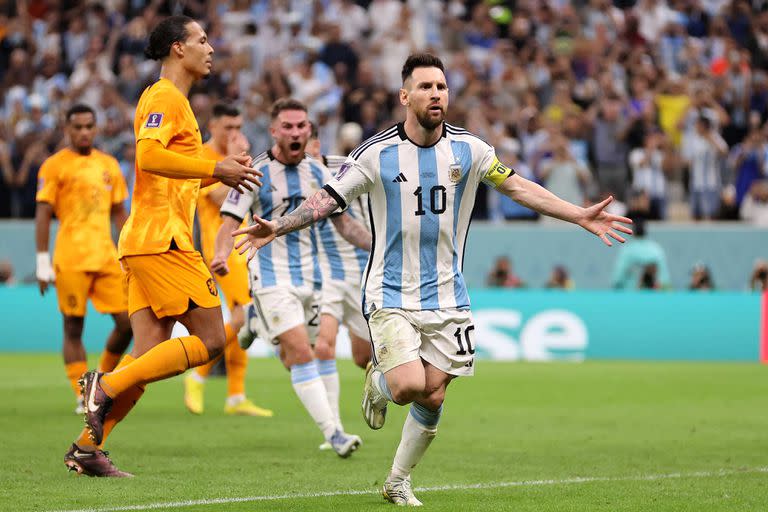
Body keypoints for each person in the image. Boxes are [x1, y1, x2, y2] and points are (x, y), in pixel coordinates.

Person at [232, 54, 632, 506]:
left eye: (441, 86)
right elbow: (325, 200)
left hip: (449, 296)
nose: (435, 93)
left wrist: (578, 214)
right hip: (390, 290)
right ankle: (378, 386)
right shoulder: (374, 154)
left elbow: (519, 187)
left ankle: (397, 480)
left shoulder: (472, 150)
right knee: (406, 385)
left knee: (435, 396)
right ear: (405, 96)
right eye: (424, 87)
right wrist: (277, 226)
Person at [64, 15, 261, 478]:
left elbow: (166, 164)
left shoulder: (176, 102)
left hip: (145, 240)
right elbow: (148, 154)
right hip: (162, 240)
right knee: (212, 338)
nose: (210, 48)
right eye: (202, 40)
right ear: (178, 48)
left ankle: (87, 450)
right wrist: (217, 170)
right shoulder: (164, 97)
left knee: (147, 358)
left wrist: (219, 170)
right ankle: (104, 383)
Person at [211, 98, 369, 458]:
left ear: (309, 130)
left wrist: (378, 245)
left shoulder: (318, 173)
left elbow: (344, 224)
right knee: (300, 353)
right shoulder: (255, 172)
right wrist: (221, 254)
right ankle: (335, 433)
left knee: (308, 354)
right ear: (274, 130)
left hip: (313, 278)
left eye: (302, 126)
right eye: (288, 126)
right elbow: (229, 221)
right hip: (270, 276)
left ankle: (254, 320)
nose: (296, 132)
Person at [35, 104, 133, 416]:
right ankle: (82, 393)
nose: (84, 132)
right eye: (77, 127)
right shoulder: (54, 166)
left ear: (96, 128)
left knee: (127, 322)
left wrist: (130, 250)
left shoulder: (109, 164)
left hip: (105, 255)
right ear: (67, 128)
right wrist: (41, 260)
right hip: (71, 256)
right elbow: (43, 211)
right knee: (73, 326)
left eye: (89, 126)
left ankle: (100, 381)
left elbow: (120, 211)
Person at [183, 103, 273, 418]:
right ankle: (198, 375)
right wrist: (238, 162)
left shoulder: (235, 154)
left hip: (243, 244)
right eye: (229, 128)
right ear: (214, 126)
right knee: (247, 313)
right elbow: (220, 197)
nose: (235, 134)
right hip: (220, 248)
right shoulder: (203, 157)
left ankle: (236, 396)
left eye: (238, 127)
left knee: (241, 316)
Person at [306, 121, 372, 450]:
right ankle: (334, 429)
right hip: (327, 275)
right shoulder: (294, 178)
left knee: (364, 358)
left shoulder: (345, 168)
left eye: (309, 144)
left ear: (317, 144)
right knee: (323, 346)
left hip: (361, 271)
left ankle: (378, 386)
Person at [611, 217, 670, 290]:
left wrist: (615, 288)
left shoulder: (627, 250)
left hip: (631, 296)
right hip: (655, 296)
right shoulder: (656, 248)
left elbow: (618, 275)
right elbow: (664, 277)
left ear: (633, 232)